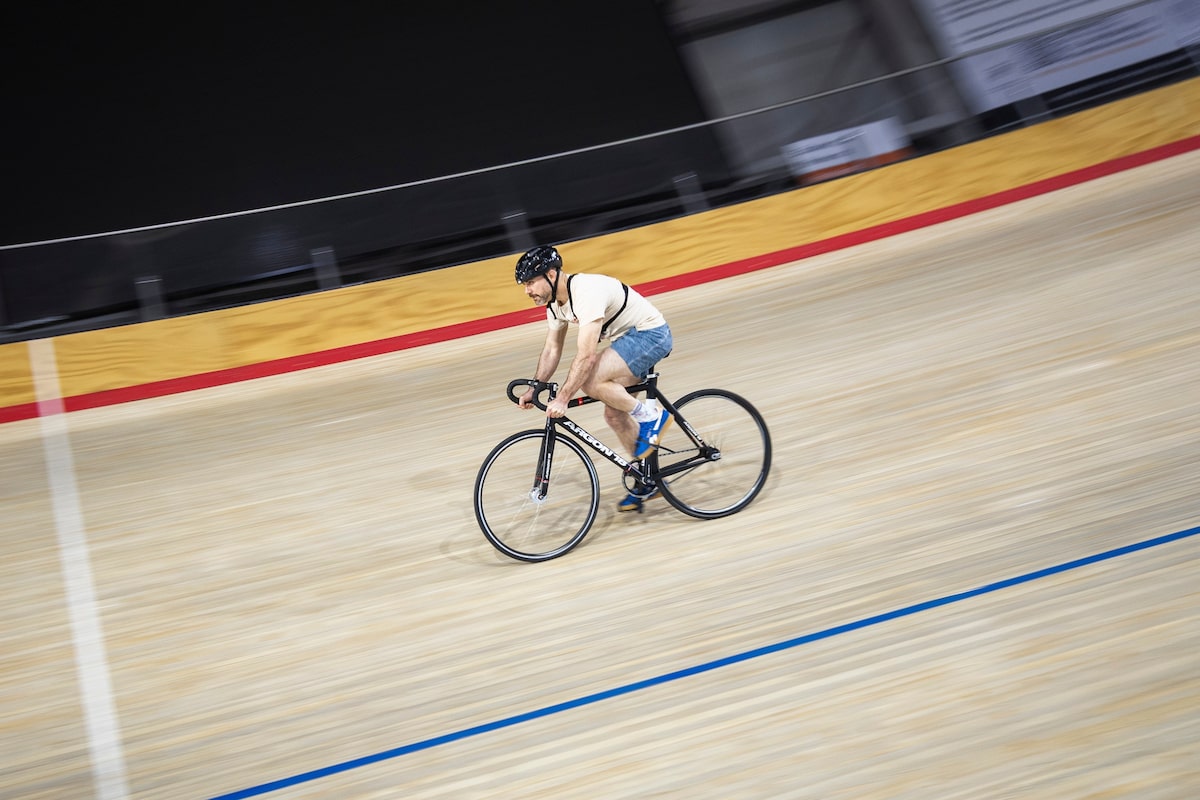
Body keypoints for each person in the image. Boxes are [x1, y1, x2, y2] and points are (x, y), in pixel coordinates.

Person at [514, 244, 674, 512]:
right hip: (628, 341)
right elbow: (553, 349)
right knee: (614, 415)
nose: (527, 291)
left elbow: (587, 356)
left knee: (591, 380)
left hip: (650, 335)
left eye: (531, 282)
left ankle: (651, 415)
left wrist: (563, 398)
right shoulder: (556, 305)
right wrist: (535, 387)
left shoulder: (585, 291)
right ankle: (647, 479)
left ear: (552, 275)